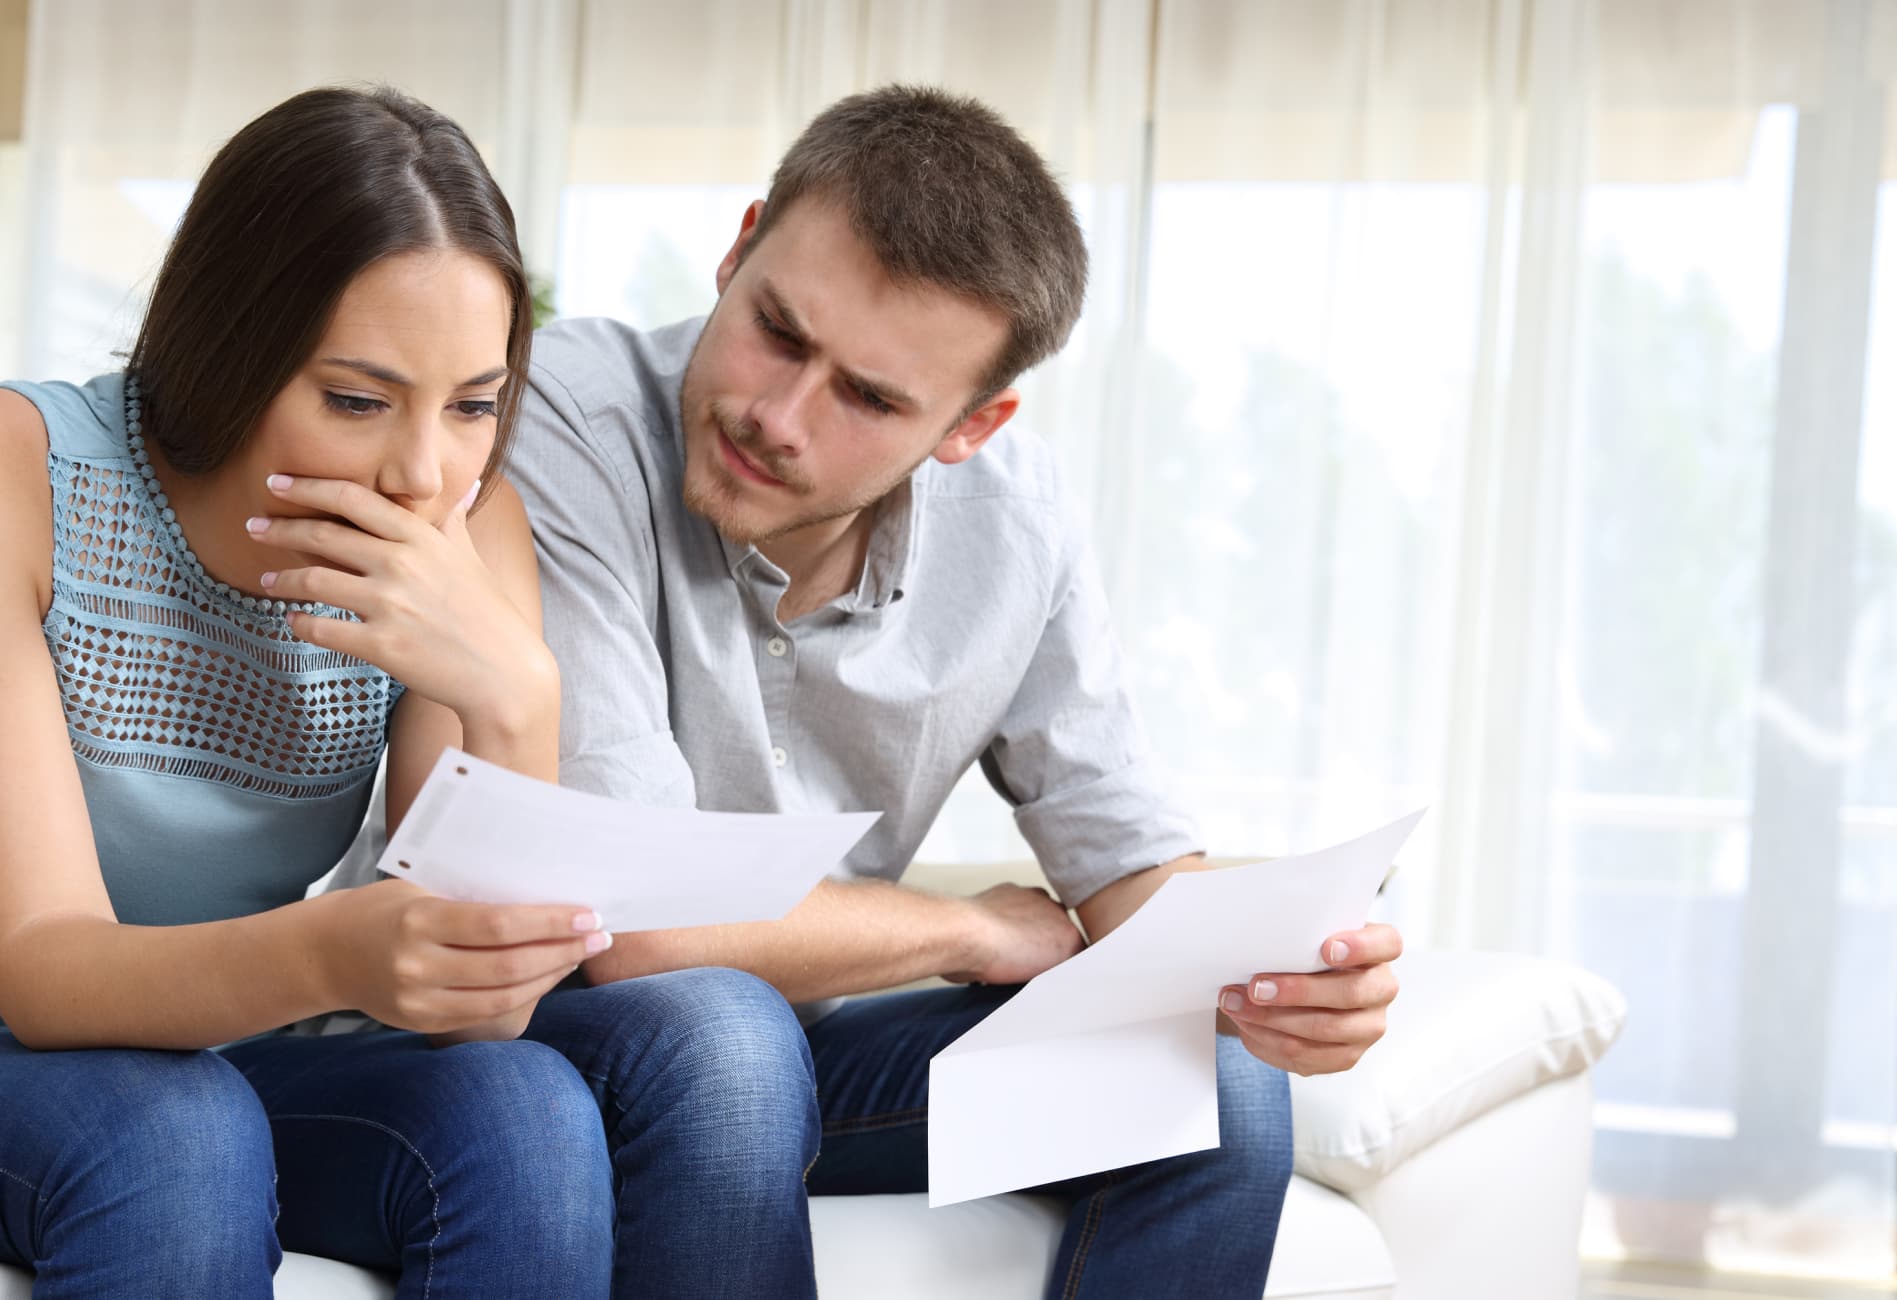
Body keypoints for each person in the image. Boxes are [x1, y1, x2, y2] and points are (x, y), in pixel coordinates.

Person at [0, 85, 809, 1300]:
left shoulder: (468, 522)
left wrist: (513, 693)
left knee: (523, 1106)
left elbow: (475, 1021)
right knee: (167, 1130)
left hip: (210, 1063)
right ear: (230, 343)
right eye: (357, 399)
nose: (422, 472)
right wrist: (343, 950)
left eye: (474, 407)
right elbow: (45, 971)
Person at [507, 84, 1408, 1298]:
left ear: (972, 423)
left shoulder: (1017, 524)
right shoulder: (568, 411)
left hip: (793, 1061)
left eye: (869, 398)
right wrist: (970, 929)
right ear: (740, 243)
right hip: (545, 1050)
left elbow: (1126, 863)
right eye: (777, 328)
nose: (778, 418)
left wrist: (1284, 978)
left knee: (1220, 1083)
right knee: (723, 1036)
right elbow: (650, 930)